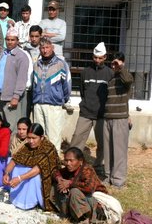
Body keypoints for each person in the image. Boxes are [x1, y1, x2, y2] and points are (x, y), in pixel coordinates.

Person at [70, 42, 113, 173]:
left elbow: (111, 94)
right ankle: (73, 162)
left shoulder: (110, 73)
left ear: (105, 57)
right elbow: (83, 92)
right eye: (95, 57)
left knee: (102, 142)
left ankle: (99, 165)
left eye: (100, 58)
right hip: (86, 112)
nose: (97, 60)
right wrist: (86, 104)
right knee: (77, 137)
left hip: (101, 114)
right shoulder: (86, 72)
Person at [3, 123, 61, 211]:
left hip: (45, 178)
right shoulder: (26, 146)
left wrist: (19, 178)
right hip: (29, 173)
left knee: (33, 176)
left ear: (41, 137)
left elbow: (38, 169)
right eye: (29, 138)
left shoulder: (48, 148)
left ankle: (31, 202)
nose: (31, 141)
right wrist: (6, 173)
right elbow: (14, 160)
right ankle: (18, 199)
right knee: (17, 167)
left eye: (34, 138)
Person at [32, 37, 71, 153]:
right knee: (38, 136)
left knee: (53, 137)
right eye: (42, 48)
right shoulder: (36, 65)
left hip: (54, 105)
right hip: (38, 104)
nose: (45, 50)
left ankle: (53, 165)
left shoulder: (61, 64)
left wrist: (61, 99)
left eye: (47, 47)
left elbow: (67, 85)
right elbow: (34, 85)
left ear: (52, 48)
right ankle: (40, 162)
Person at [52, 147, 108, 223]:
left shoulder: (87, 169)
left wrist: (70, 183)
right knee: (56, 186)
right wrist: (59, 179)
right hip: (82, 200)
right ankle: (66, 213)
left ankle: (85, 218)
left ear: (80, 161)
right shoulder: (69, 169)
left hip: (94, 201)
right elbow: (56, 173)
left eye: (71, 161)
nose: (68, 163)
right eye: (66, 160)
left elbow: (89, 188)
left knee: (74, 191)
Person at [103, 51, 133, 188]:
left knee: (119, 151)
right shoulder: (110, 78)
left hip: (120, 118)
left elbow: (128, 80)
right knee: (108, 150)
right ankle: (108, 176)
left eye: (116, 63)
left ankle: (118, 180)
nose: (114, 66)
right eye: (113, 63)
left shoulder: (125, 76)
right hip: (108, 117)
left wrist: (121, 67)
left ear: (122, 62)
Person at [0, 27, 30, 132]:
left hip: (11, 97)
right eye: (8, 39)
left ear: (17, 41)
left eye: (13, 39)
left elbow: (22, 79)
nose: (10, 42)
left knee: (12, 126)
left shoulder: (21, 56)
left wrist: (16, 96)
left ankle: (12, 148)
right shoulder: (3, 53)